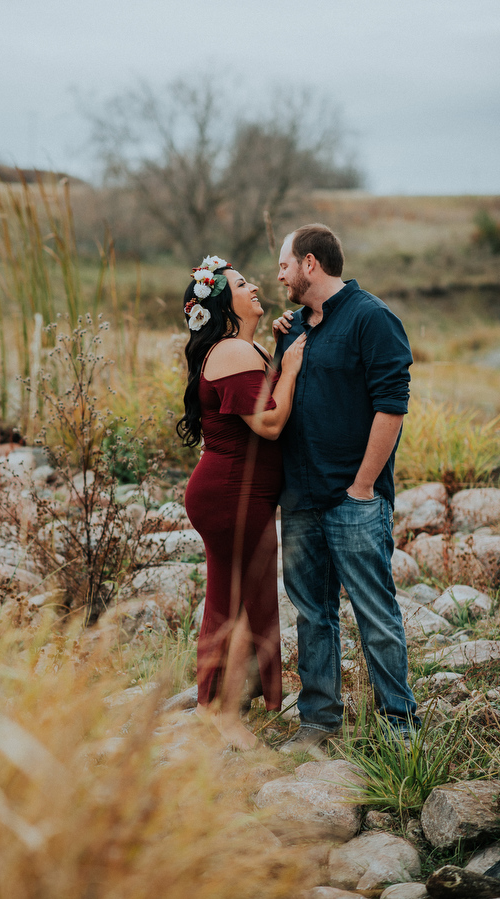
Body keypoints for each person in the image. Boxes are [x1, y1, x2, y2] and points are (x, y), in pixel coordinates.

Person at [272, 224, 419, 753]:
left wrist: (362, 487)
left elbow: (392, 406)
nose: (280, 274)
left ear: (311, 263)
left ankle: (400, 726)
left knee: (374, 611)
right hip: (301, 499)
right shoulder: (293, 328)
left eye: (285, 264)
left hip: (352, 499)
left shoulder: (372, 318)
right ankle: (318, 722)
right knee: (313, 613)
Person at [177, 255, 306, 750]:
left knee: (229, 603)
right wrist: (291, 366)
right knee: (241, 608)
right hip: (232, 493)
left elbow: (259, 397)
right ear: (221, 302)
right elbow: (269, 423)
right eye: (241, 283)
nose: (254, 287)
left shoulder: (242, 348)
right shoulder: (231, 351)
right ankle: (223, 716)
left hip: (236, 492)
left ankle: (217, 708)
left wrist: (276, 350)